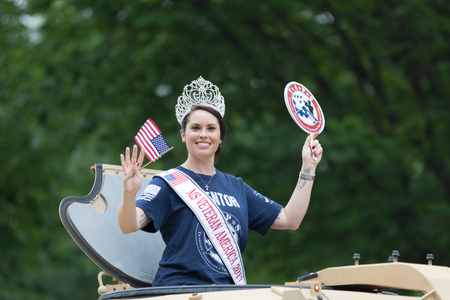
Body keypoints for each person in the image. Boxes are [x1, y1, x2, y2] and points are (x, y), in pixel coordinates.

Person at [118, 76, 323, 287]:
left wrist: (308, 166)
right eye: (195, 128)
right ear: (183, 134)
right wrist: (129, 194)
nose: (203, 135)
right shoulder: (167, 183)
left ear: (220, 136)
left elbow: (290, 219)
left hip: (227, 293)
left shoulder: (236, 187)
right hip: (178, 291)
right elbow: (129, 225)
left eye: (211, 128)